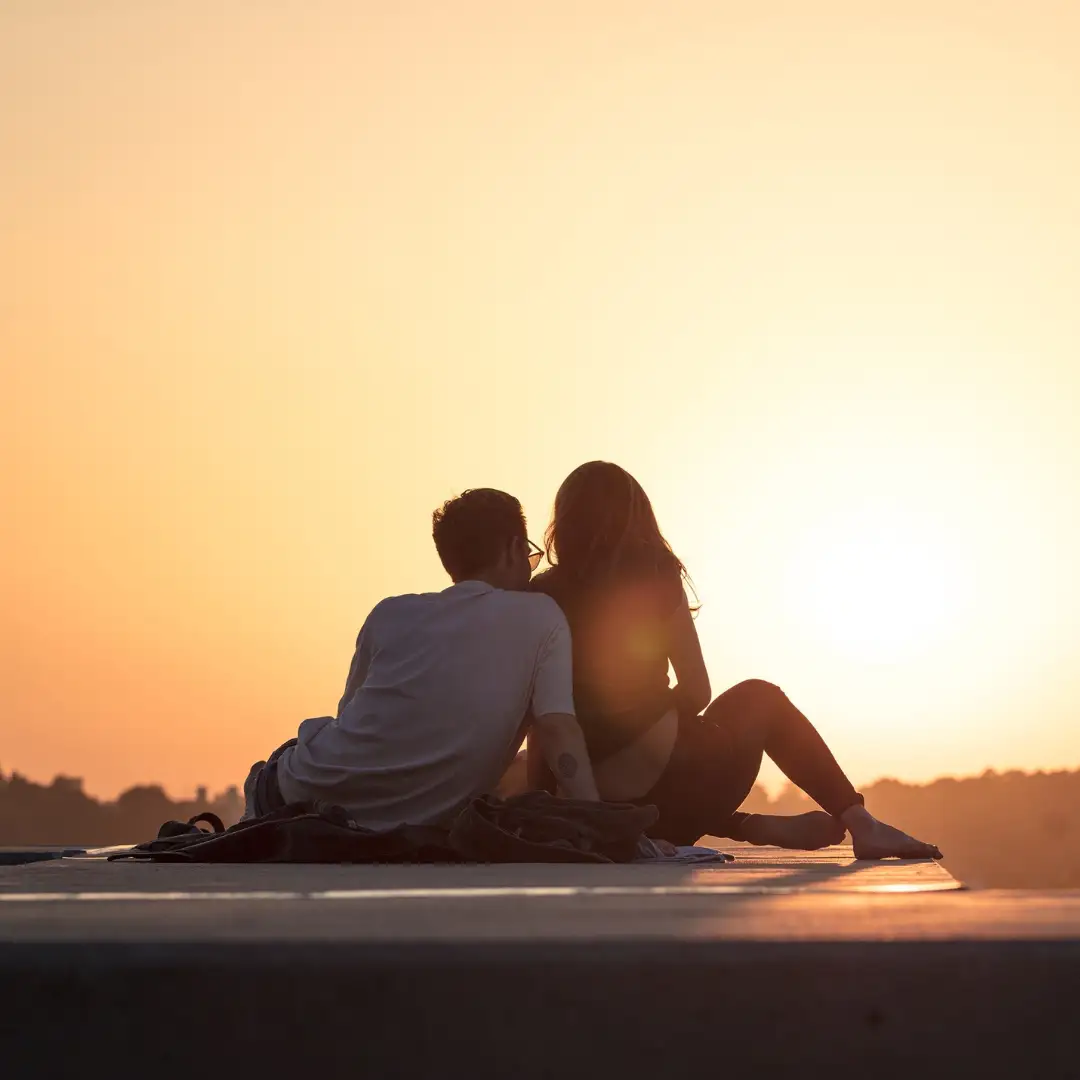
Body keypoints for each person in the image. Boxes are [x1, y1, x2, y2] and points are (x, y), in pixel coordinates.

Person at [528, 461, 942, 860]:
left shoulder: (541, 594)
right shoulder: (655, 574)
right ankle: (860, 824)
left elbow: (540, 720)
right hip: (678, 791)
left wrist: (547, 804)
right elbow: (697, 690)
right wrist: (653, 715)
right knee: (760, 698)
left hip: (598, 810)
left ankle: (741, 825)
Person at [242, 488, 600, 829]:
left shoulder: (390, 614)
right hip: (394, 819)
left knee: (299, 750)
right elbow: (557, 729)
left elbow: (353, 720)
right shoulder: (541, 616)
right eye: (530, 556)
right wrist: (601, 826)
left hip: (300, 795)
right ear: (513, 548)